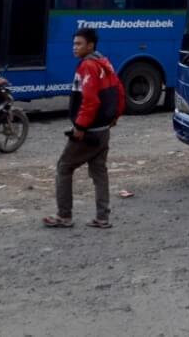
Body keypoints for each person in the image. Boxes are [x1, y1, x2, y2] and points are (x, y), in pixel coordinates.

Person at [42, 28, 126, 230]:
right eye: (74, 43)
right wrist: (115, 116)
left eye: (79, 44)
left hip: (89, 130)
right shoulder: (104, 63)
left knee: (64, 167)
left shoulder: (87, 66)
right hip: (103, 128)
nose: (74, 47)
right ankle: (102, 217)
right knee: (99, 171)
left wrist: (80, 126)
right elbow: (119, 91)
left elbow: (90, 101)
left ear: (90, 46)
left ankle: (64, 215)